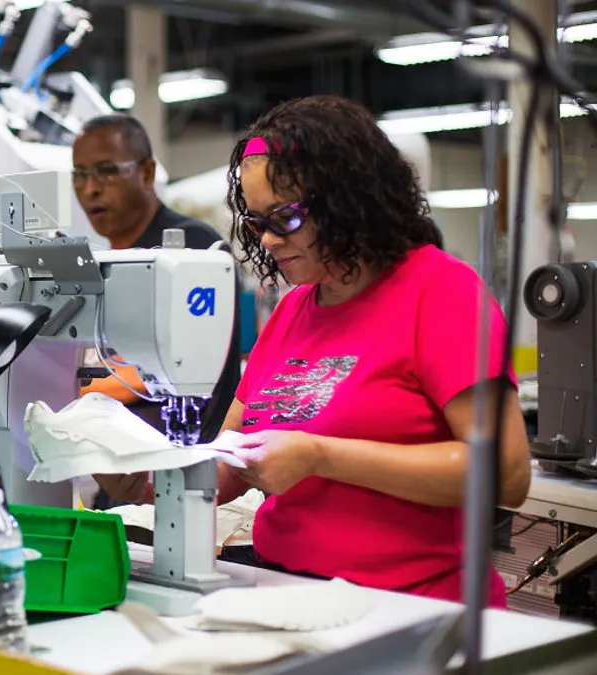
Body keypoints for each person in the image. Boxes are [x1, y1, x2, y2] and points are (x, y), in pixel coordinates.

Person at [97, 95, 531, 607]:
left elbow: (505, 475)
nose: (270, 240)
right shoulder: (294, 309)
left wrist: (321, 456)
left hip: (414, 605)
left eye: (285, 218)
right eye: (257, 223)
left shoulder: (443, 293)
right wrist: (144, 478)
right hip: (289, 591)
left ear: (349, 199)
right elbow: (228, 463)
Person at [71, 114, 242, 508]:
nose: (90, 188)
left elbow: (151, 372)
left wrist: (62, 387)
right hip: (130, 472)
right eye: (79, 174)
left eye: (107, 171)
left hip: (184, 469)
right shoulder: (111, 260)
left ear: (147, 173)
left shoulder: (191, 252)